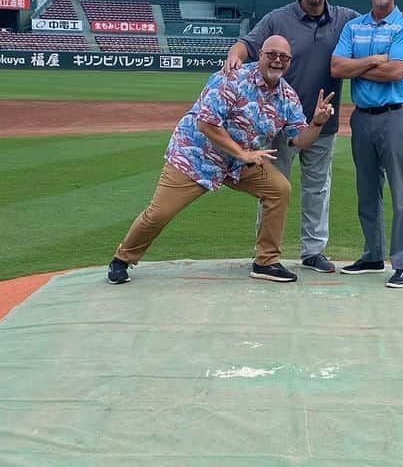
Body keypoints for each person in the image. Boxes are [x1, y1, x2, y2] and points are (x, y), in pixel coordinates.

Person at [224, 0, 403, 273]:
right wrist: (234, 55)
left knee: (317, 189)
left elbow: (387, 26)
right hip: (279, 121)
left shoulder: (346, 19)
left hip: (321, 121)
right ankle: (265, 254)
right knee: (273, 188)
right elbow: (250, 45)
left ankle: (313, 251)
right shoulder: (279, 18)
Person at [108, 35, 335, 285]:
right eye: (271, 55)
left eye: (284, 57)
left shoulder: (287, 97)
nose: (277, 61)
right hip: (196, 155)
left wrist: (317, 123)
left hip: (238, 164)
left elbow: (299, 140)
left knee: (278, 189)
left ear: (290, 62)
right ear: (260, 54)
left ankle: (266, 262)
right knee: (160, 213)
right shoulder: (232, 78)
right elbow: (206, 123)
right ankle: (122, 258)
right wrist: (243, 153)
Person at [330, 0, 403, 289]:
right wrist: (374, 60)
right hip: (363, 117)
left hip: (398, 115)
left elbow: (395, 72)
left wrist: (359, 66)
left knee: (401, 194)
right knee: (367, 192)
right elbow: (337, 67)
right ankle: (372, 254)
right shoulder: (354, 26)